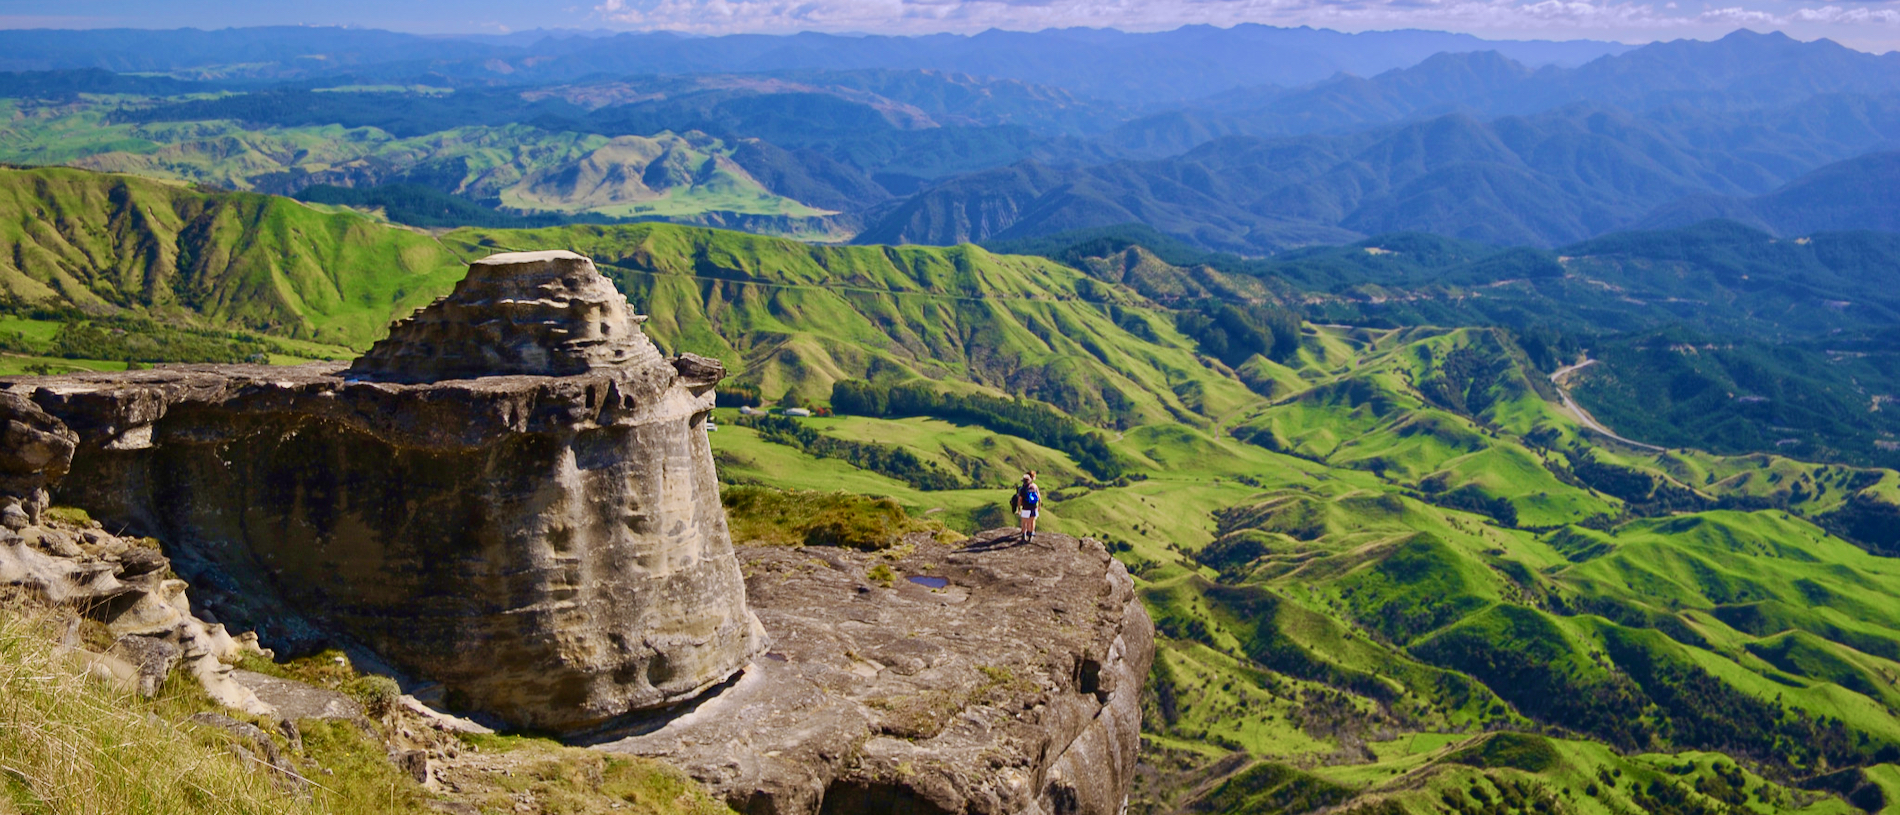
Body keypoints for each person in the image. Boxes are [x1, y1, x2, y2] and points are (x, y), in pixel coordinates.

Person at [1012, 471, 1041, 542]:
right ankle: (1030, 536)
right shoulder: (1034, 486)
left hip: (1026, 508)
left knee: (1024, 522)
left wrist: (1019, 508)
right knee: (1032, 521)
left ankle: (1023, 536)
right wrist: (1039, 505)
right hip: (1034, 507)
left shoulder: (1023, 489)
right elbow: (1039, 497)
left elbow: (1019, 499)